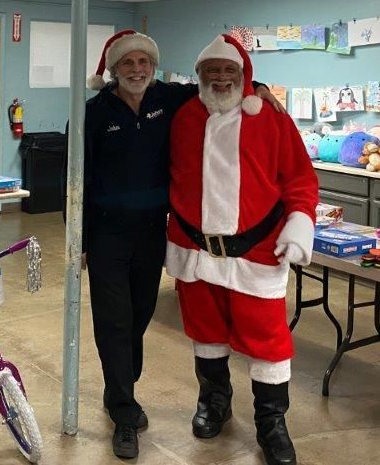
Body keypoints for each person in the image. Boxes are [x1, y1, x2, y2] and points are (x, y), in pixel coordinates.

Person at [82, 29, 280, 460]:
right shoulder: (93, 113)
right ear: (113, 70)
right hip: (106, 235)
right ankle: (123, 410)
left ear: (153, 68)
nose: (137, 70)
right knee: (114, 321)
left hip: (153, 232)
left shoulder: (168, 100)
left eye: (144, 63)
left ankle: (120, 387)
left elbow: (217, 83)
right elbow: (76, 180)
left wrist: (258, 87)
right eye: (128, 63)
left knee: (138, 317)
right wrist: (78, 239)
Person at [165, 34, 318, 465]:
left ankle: (272, 424)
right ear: (197, 75)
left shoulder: (269, 118)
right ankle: (214, 401)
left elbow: (301, 180)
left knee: (268, 343)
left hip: (257, 254)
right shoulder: (182, 116)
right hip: (194, 252)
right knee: (205, 332)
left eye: (228, 70)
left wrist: (299, 222)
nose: (219, 77)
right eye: (210, 70)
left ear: (244, 75)